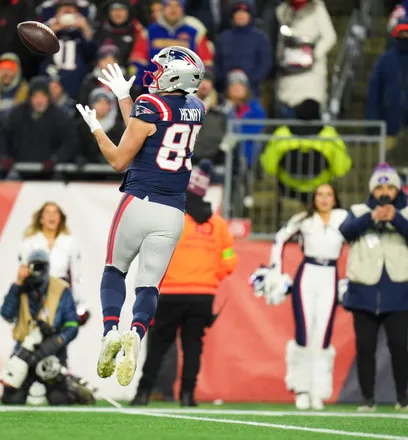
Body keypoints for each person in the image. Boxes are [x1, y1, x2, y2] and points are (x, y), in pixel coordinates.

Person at [75, 46, 205, 386]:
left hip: (140, 200)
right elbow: (152, 128)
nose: (155, 74)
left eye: (162, 70)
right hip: (173, 210)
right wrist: (124, 99)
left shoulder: (150, 105)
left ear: (176, 76)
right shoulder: (197, 108)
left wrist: (95, 129)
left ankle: (110, 332)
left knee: (114, 269)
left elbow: (120, 159)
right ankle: (135, 332)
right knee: (149, 284)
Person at [130, 159, 238, 407]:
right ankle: (187, 396)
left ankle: (143, 393)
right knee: (193, 348)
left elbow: (154, 251)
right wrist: (210, 277)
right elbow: (229, 261)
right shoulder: (219, 225)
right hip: (203, 294)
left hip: (170, 291)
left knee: (158, 346)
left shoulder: (171, 217)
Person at [252, 183, 348, 410]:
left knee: (323, 336)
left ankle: (319, 391)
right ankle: (301, 389)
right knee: (304, 334)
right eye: (320, 195)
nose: (324, 199)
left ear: (335, 198)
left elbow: (359, 241)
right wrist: (275, 270)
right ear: (314, 198)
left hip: (330, 278)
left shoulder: (343, 218)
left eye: (329, 195)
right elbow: (279, 239)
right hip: (308, 276)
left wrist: (351, 276)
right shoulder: (303, 219)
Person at [338, 163, 408, 412]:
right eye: (379, 186)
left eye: (390, 186)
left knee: (400, 346)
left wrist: (395, 219)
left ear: (397, 189)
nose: (384, 191)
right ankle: (367, 399)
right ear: (372, 190)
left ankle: (404, 398)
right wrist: (371, 217)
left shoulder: (406, 212)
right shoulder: (358, 210)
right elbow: (345, 232)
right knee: (365, 348)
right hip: (363, 291)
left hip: (399, 290)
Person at [0, 249, 91, 405]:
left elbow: (72, 326)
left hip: (52, 356)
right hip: (25, 354)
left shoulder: (61, 289)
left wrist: (54, 343)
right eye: (35, 266)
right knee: (11, 400)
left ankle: (72, 391)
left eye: (42, 266)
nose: (38, 270)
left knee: (59, 400)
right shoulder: (20, 288)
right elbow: (6, 314)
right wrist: (17, 284)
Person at [20, 202, 86, 318]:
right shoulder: (30, 242)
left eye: (55, 213)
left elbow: (76, 274)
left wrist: (77, 301)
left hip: (60, 292)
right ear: (41, 218)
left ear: (60, 218)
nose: (51, 216)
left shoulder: (69, 242)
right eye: (47, 212)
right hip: (36, 294)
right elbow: (22, 271)